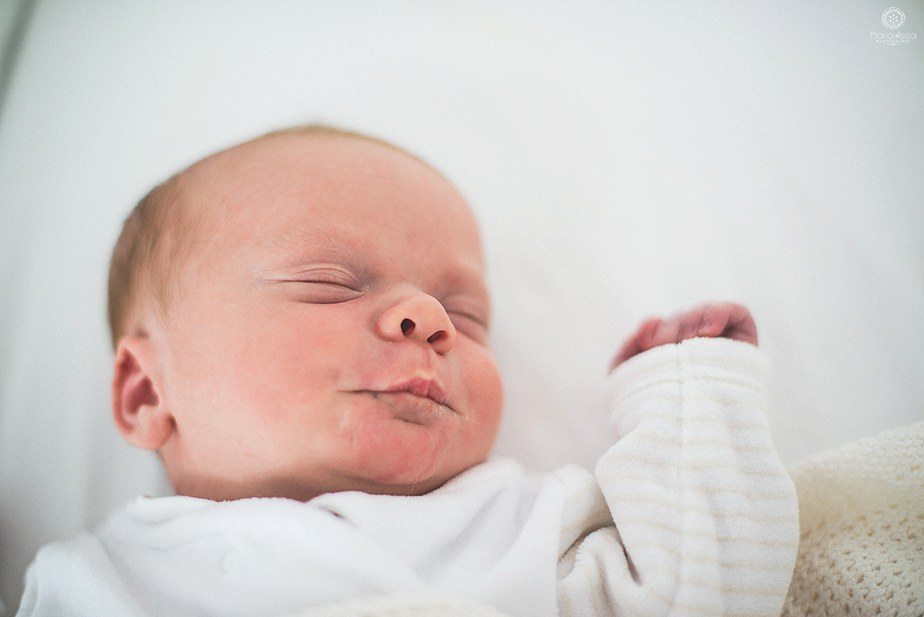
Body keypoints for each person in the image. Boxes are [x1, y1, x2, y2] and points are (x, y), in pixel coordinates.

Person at [17, 125, 797, 616]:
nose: (427, 317)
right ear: (149, 390)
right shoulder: (91, 580)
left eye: (466, 315)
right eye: (330, 281)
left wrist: (686, 405)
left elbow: (706, 589)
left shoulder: (520, 525)